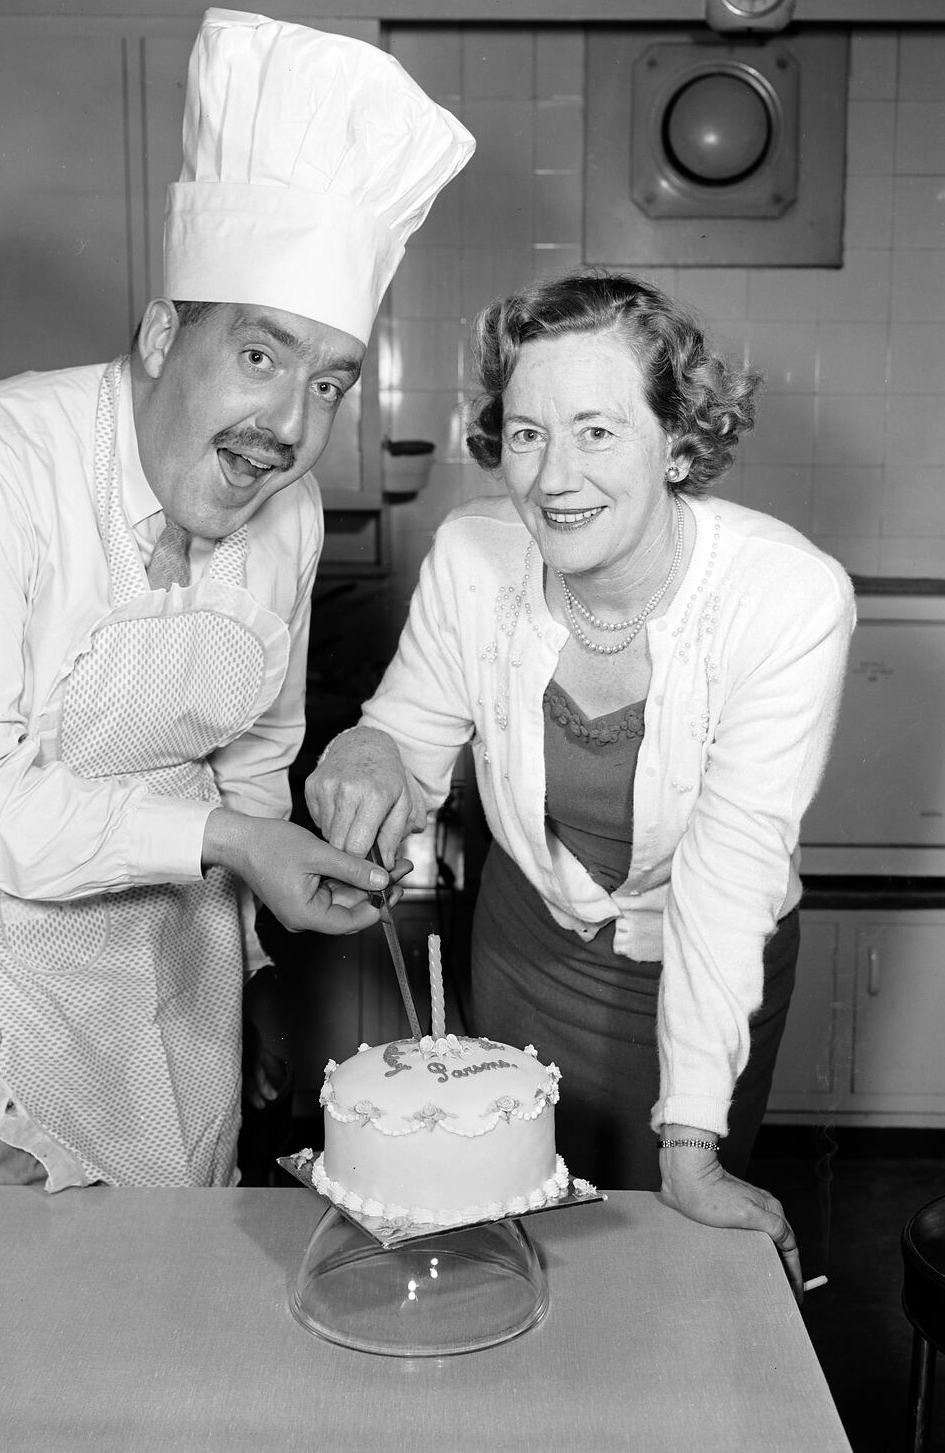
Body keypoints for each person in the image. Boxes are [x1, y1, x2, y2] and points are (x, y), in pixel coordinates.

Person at [0, 9, 473, 1190]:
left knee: (171, 1286)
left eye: (327, 382)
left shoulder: (285, 516)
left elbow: (254, 754)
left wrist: (255, 973)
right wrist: (234, 842)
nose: (288, 427)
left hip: (174, 943)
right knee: (8, 1319)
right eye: (259, 356)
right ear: (158, 332)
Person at [307, 271, 855, 1295]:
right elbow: (408, 729)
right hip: (527, 952)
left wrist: (690, 1146)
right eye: (526, 434)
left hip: (708, 961)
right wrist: (370, 755)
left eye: (598, 431)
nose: (554, 476)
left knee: (671, 1259)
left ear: (680, 442)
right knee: (525, 1246)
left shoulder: (785, 598)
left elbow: (730, 874)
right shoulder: (474, 556)